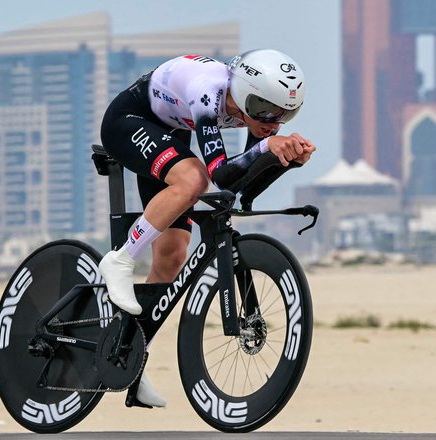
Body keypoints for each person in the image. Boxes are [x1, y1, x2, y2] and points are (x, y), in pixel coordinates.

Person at [98, 49, 316, 407]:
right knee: (194, 178)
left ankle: (132, 362)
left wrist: (285, 160)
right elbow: (218, 173)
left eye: (285, 113)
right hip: (129, 121)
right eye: (264, 108)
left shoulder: (255, 114)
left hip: (169, 131)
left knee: (172, 255)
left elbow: (241, 187)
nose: (273, 121)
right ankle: (121, 259)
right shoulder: (207, 92)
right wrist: (266, 146)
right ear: (244, 93)